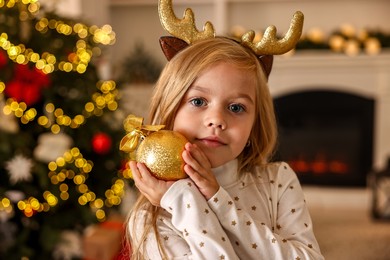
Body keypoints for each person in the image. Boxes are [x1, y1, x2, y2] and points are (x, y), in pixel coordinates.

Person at [124, 1, 324, 259]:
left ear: (254, 126)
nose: (216, 120)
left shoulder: (278, 181)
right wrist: (185, 199)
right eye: (198, 102)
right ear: (169, 112)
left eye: (236, 108)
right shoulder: (153, 217)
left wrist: (218, 200)